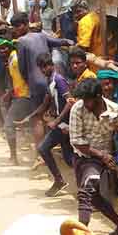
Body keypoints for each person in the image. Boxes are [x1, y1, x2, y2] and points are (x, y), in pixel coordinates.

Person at [69, 77, 118, 235]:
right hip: (83, 155)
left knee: (86, 191)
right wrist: (103, 155)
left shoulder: (115, 110)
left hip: (99, 158)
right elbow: (77, 142)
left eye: (89, 100)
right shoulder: (77, 109)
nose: (86, 103)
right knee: (93, 197)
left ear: (98, 96)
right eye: (84, 99)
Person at [11, 11, 73, 147]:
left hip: (35, 82)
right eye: (14, 27)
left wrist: (28, 82)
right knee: (54, 114)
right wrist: (70, 42)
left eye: (17, 26)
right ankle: (58, 146)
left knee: (37, 118)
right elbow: (58, 42)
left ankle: (41, 153)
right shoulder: (41, 36)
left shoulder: (21, 42)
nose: (15, 30)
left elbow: (22, 67)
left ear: (25, 25)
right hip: (50, 80)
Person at [34, 52, 73, 196]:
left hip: (63, 124)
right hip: (61, 123)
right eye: (41, 68)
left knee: (43, 148)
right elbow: (49, 100)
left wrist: (57, 120)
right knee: (69, 159)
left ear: (52, 65)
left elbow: (70, 101)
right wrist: (32, 116)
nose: (44, 70)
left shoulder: (59, 80)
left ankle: (59, 180)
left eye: (46, 66)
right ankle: (88, 183)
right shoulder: (50, 80)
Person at [0, 37, 32, 165]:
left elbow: (25, 76)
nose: (2, 51)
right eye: (0, 49)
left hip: (24, 96)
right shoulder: (11, 59)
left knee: (8, 125)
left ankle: (14, 158)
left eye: (4, 48)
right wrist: (10, 92)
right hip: (19, 95)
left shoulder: (15, 59)